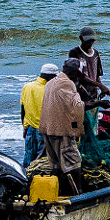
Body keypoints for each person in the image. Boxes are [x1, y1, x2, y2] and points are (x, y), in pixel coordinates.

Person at [40, 59, 87, 195]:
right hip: (61, 130)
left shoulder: (51, 82)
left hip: (47, 129)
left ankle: (57, 191)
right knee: (73, 160)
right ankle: (78, 192)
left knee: (55, 164)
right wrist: (99, 103)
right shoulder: (67, 83)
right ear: (74, 72)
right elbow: (77, 106)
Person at [19, 63, 57, 163]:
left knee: (29, 155)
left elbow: (23, 109)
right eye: (54, 77)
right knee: (42, 159)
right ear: (49, 76)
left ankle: (25, 175)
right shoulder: (51, 91)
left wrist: (24, 126)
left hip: (30, 129)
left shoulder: (27, 87)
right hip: (45, 131)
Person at [68, 28, 106, 104]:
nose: (90, 43)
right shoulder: (75, 53)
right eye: (88, 41)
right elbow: (79, 77)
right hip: (80, 91)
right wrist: (101, 86)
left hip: (93, 92)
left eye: (92, 41)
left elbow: (97, 75)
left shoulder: (95, 53)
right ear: (81, 39)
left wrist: (101, 87)